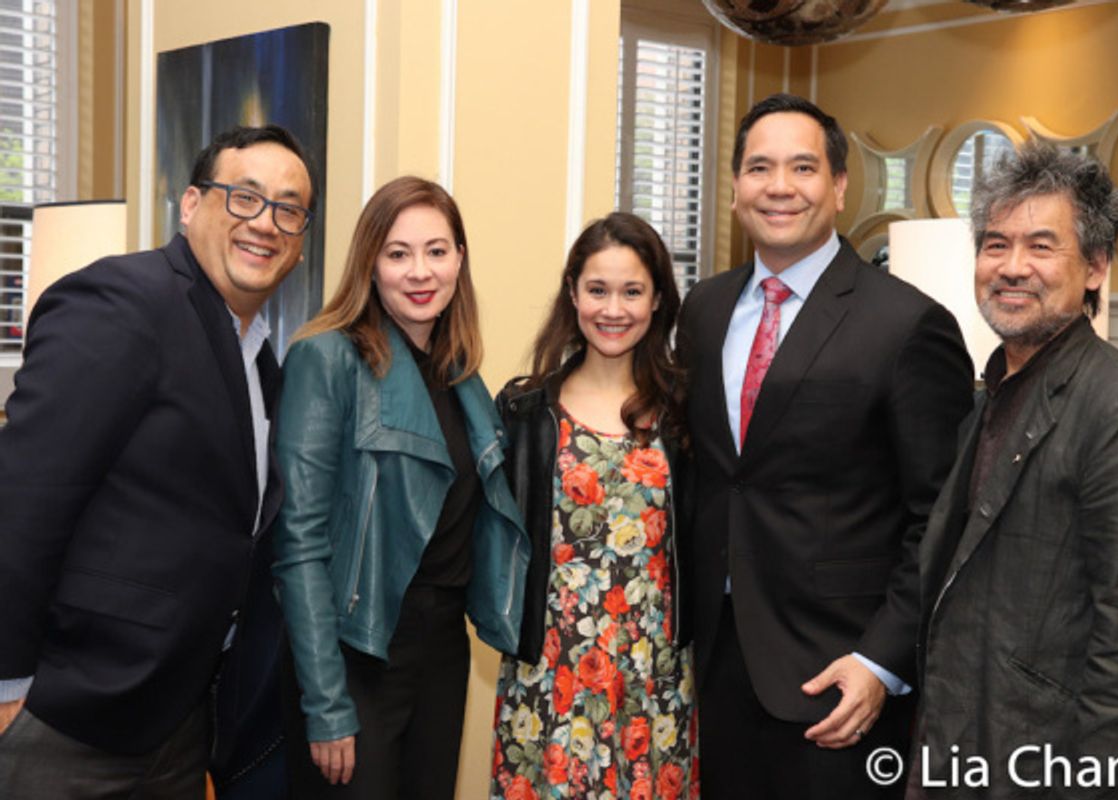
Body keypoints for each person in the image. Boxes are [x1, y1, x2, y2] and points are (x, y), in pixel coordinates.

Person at [0, 124, 318, 798]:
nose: (266, 223)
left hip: (175, 728)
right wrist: (8, 686)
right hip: (66, 720)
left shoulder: (263, 360)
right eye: (244, 197)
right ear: (192, 205)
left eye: (289, 209)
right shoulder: (122, 301)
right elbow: (24, 499)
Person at [675, 93, 974, 799]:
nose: (779, 187)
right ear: (736, 187)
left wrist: (881, 661)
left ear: (839, 187)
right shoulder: (703, 310)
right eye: (759, 168)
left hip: (839, 679)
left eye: (802, 167)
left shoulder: (907, 325)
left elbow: (942, 516)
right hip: (714, 663)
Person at [909, 143, 1118, 799]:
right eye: (995, 244)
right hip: (961, 745)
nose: (1011, 267)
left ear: (1095, 267)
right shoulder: (994, 390)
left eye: (1040, 246)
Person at [272, 175, 530, 800]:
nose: (420, 271)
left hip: (443, 651)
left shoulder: (463, 377)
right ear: (371, 263)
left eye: (436, 251)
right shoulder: (327, 357)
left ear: (460, 259)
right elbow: (299, 543)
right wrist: (327, 702)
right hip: (356, 652)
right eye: (398, 253)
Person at [489, 212, 699, 800]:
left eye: (632, 291)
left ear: (658, 299)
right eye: (597, 290)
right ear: (573, 294)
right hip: (549, 671)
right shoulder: (525, 410)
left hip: (654, 674)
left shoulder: (687, 412)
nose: (614, 309)